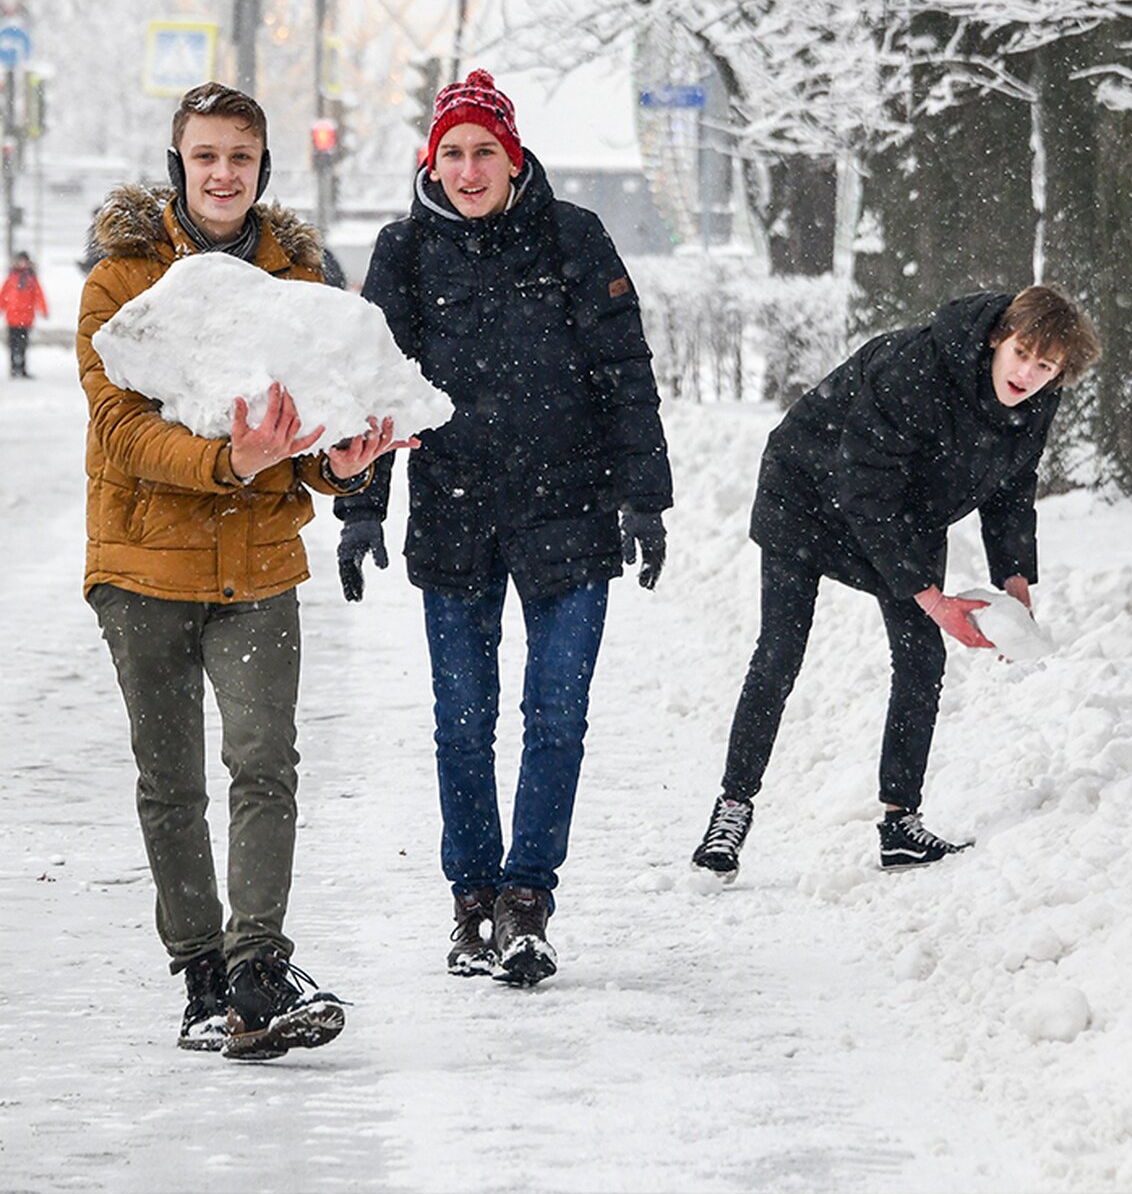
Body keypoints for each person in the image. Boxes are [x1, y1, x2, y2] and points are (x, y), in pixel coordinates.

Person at [77, 82, 409, 1059]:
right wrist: (234, 459)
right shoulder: (121, 281)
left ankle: (258, 969)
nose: (225, 174)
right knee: (170, 781)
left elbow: (308, 423)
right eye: (207, 155)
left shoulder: (297, 279)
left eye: (243, 158)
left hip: (259, 563)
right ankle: (200, 978)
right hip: (140, 567)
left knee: (265, 765)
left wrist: (335, 465)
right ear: (178, 163)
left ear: (266, 170)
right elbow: (123, 430)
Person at [335, 69, 672, 986]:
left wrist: (645, 497)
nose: (471, 167)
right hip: (455, 516)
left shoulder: (573, 237)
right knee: (462, 721)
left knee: (556, 716)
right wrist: (362, 509)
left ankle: (528, 898)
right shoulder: (403, 253)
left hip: (567, 509)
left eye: (487, 150)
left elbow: (622, 371)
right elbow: (374, 391)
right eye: (454, 152)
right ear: (430, 162)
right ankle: (471, 903)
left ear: (514, 156)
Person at [690, 286, 1101, 879]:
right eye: (1022, 353)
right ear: (997, 338)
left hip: (907, 511)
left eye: (1046, 366)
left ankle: (900, 824)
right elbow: (865, 483)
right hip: (807, 491)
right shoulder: (919, 366)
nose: (1028, 374)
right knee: (781, 651)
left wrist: (1014, 584)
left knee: (920, 660)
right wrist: (930, 597)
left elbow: (1013, 486)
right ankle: (731, 809)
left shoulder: (1036, 401)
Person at [0, 251, 48, 378]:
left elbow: (39, 295)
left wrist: (43, 309)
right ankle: (13, 369)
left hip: (26, 318)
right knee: (12, 345)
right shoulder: (11, 277)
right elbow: (3, 294)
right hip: (12, 317)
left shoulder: (32, 279)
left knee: (23, 345)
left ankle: (22, 369)